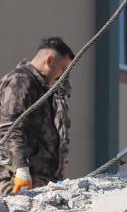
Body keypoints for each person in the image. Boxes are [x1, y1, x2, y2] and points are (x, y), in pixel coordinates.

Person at [0, 38, 74, 193]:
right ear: (49, 60)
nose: (62, 75)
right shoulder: (21, 81)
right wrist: (20, 168)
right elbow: (10, 128)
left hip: (39, 181)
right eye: (62, 68)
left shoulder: (44, 89)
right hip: (14, 180)